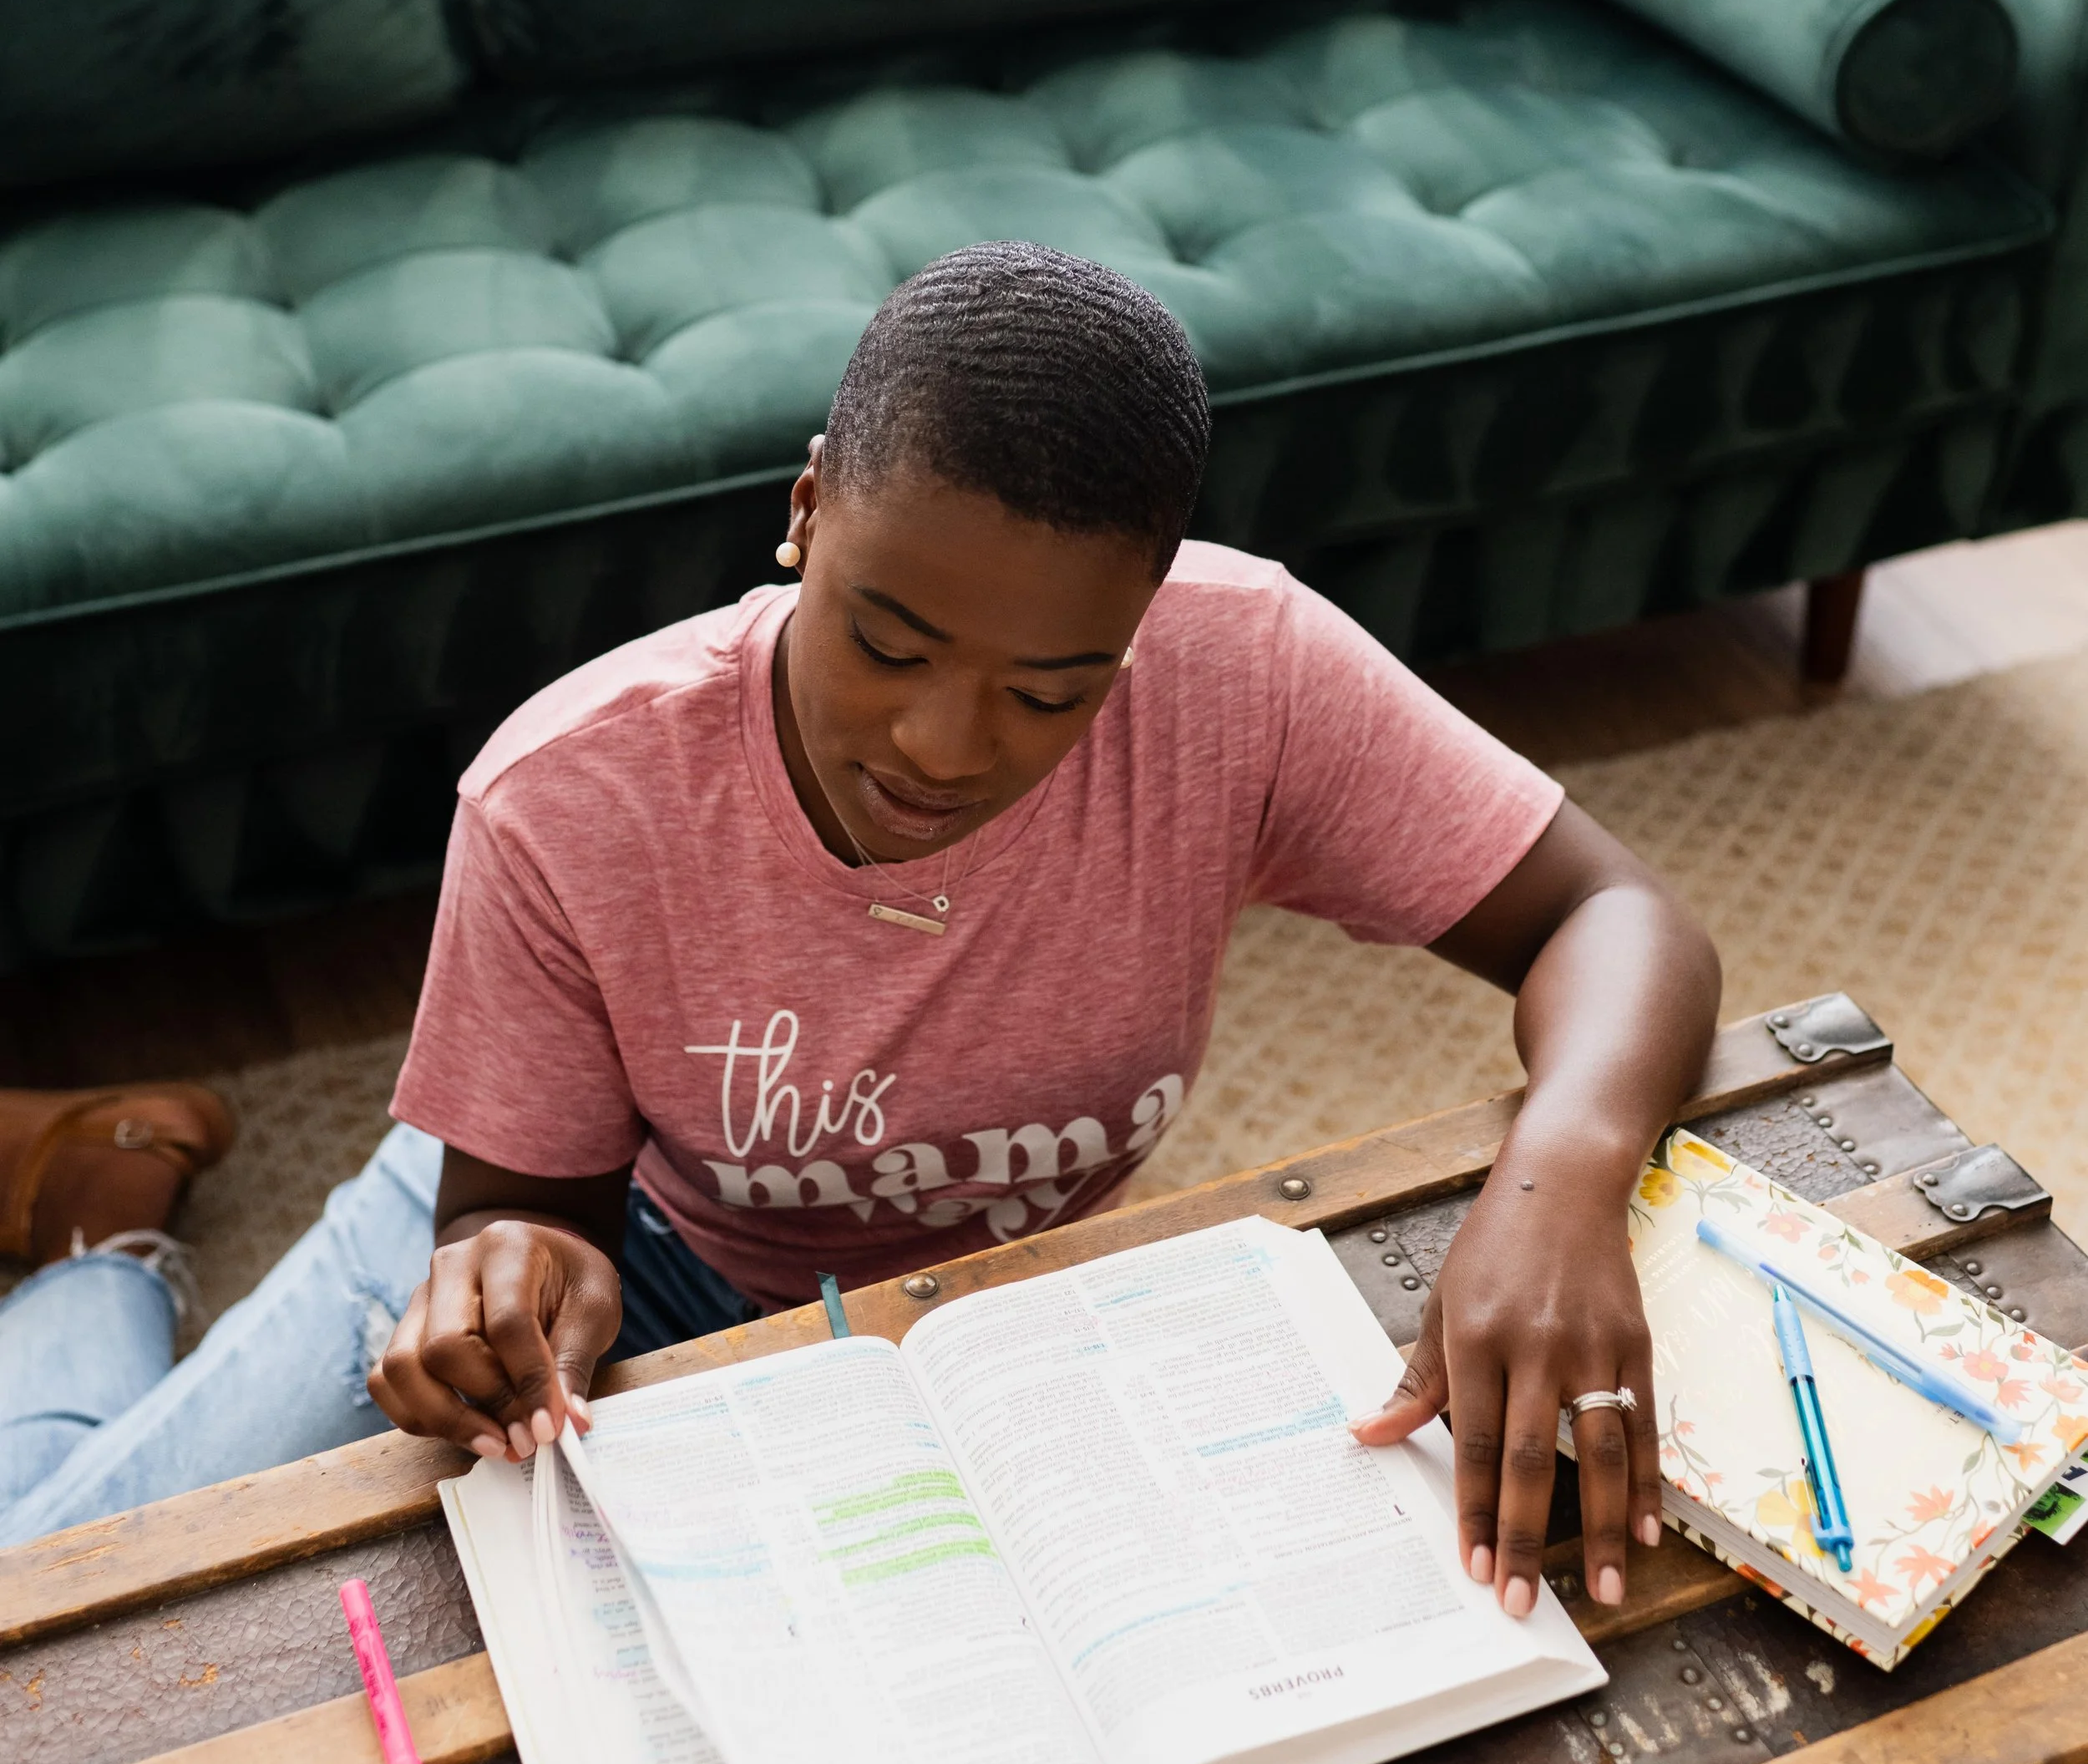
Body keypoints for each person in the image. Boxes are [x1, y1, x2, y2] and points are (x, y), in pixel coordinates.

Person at [0, 244, 1718, 1614]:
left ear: (1143, 620)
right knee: (52, 1621)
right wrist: (521, 1282)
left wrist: (1559, 1179)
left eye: (1051, 691)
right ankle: (101, 1232)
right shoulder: (566, 793)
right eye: (886, 646)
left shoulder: (1239, 671)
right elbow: (535, 1214)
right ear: (808, 509)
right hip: (619, 1245)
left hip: (959, 1338)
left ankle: (100, 1207)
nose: (943, 747)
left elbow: (1612, 913)